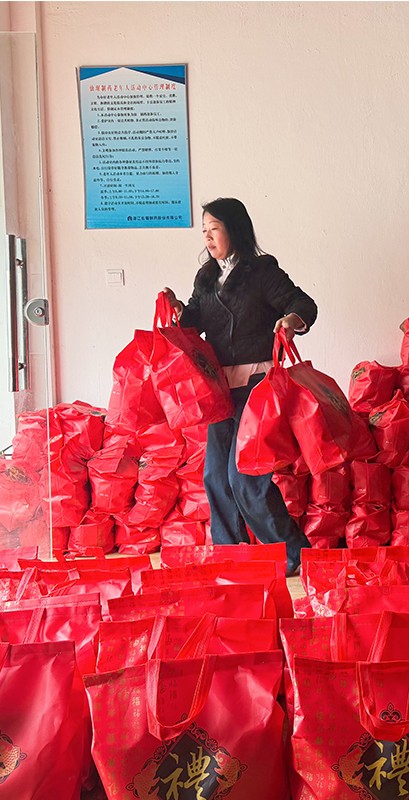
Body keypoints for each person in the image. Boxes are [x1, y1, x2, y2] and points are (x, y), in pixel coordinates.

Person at [162, 198, 316, 577]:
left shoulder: (262, 272)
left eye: (214, 229)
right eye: (204, 231)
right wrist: (180, 311)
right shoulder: (206, 278)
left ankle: (295, 554)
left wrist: (291, 320)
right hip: (219, 394)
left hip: (256, 388)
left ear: (235, 230)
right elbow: (196, 321)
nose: (208, 237)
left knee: (244, 477)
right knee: (215, 476)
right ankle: (231, 554)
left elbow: (303, 303)